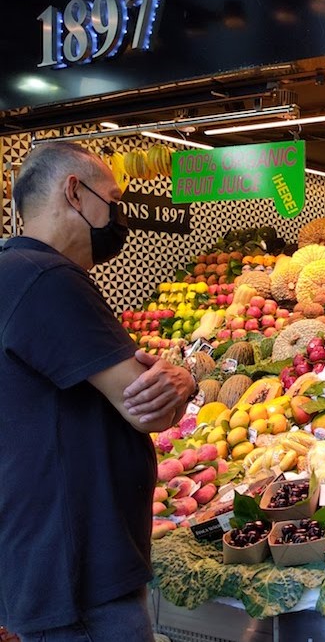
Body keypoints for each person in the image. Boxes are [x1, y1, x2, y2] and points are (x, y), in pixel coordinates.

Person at [0, 142, 198, 640]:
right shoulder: (48, 278)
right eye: (110, 198)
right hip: (79, 563)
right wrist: (187, 378)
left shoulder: (10, 271)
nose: (117, 215)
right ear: (75, 192)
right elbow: (147, 408)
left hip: (40, 549)